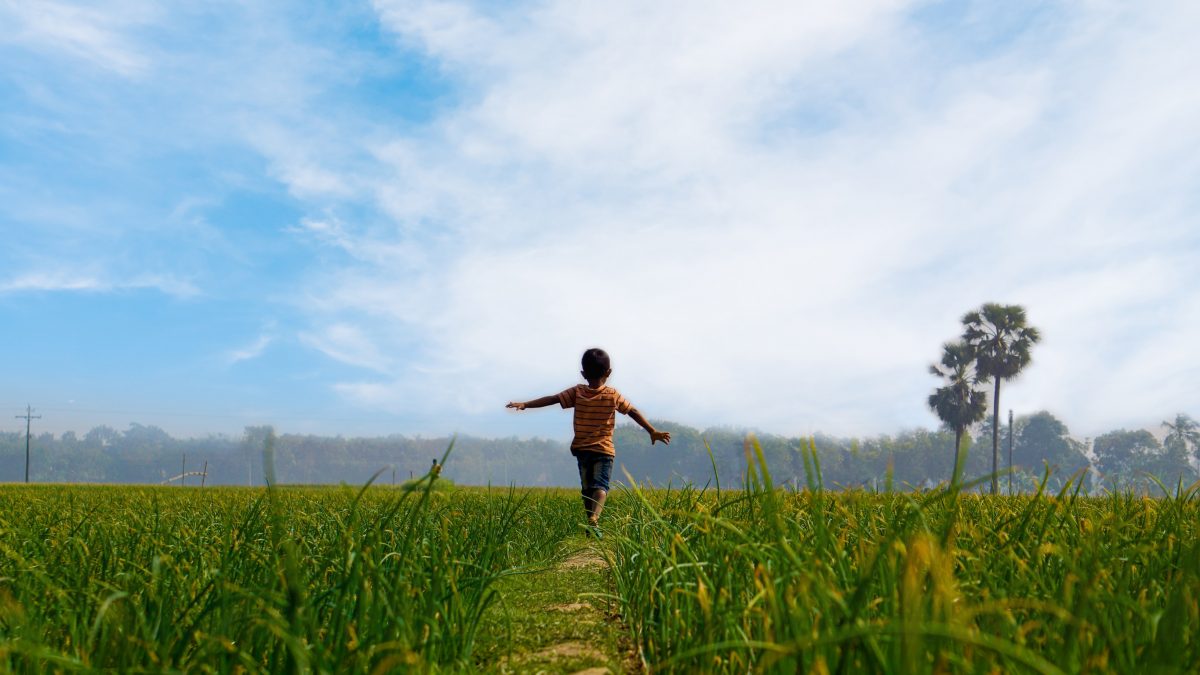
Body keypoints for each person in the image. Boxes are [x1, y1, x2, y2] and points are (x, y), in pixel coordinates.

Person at [507, 347, 670, 536]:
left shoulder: (578, 392)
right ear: (608, 373)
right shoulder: (612, 395)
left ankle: (591, 524)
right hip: (603, 450)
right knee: (601, 487)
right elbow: (632, 411)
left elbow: (553, 399)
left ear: (583, 373)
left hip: (582, 450)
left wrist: (526, 404)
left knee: (587, 489)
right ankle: (595, 519)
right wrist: (652, 430)